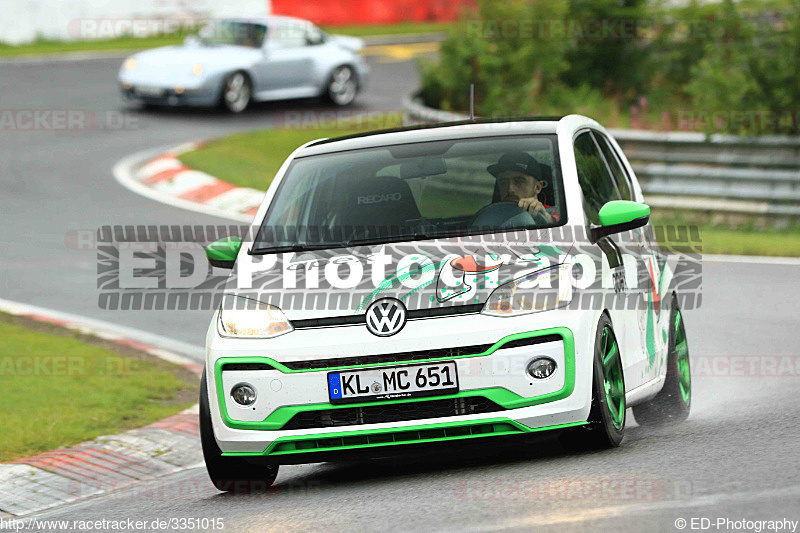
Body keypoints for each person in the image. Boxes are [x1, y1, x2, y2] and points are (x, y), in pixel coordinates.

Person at [486, 151, 559, 223]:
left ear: (537, 187)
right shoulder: (488, 216)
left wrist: (547, 218)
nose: (510, 189)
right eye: (503, 182)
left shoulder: (559, 213)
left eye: (519, 181)